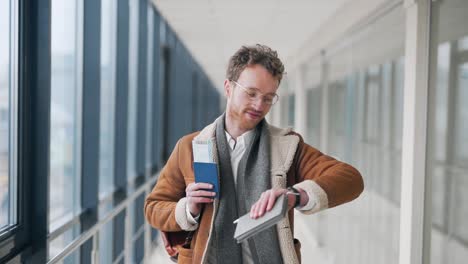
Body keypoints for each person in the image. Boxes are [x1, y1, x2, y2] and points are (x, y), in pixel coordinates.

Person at [144, 44, 364, 264]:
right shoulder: (189, 146)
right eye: (251, 93)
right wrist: (188, 208)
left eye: (268, 98)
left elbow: (350, 179)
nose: (259, 105)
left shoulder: (287, 147)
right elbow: (154, 207)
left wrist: (294, 196)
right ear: (228, 88)